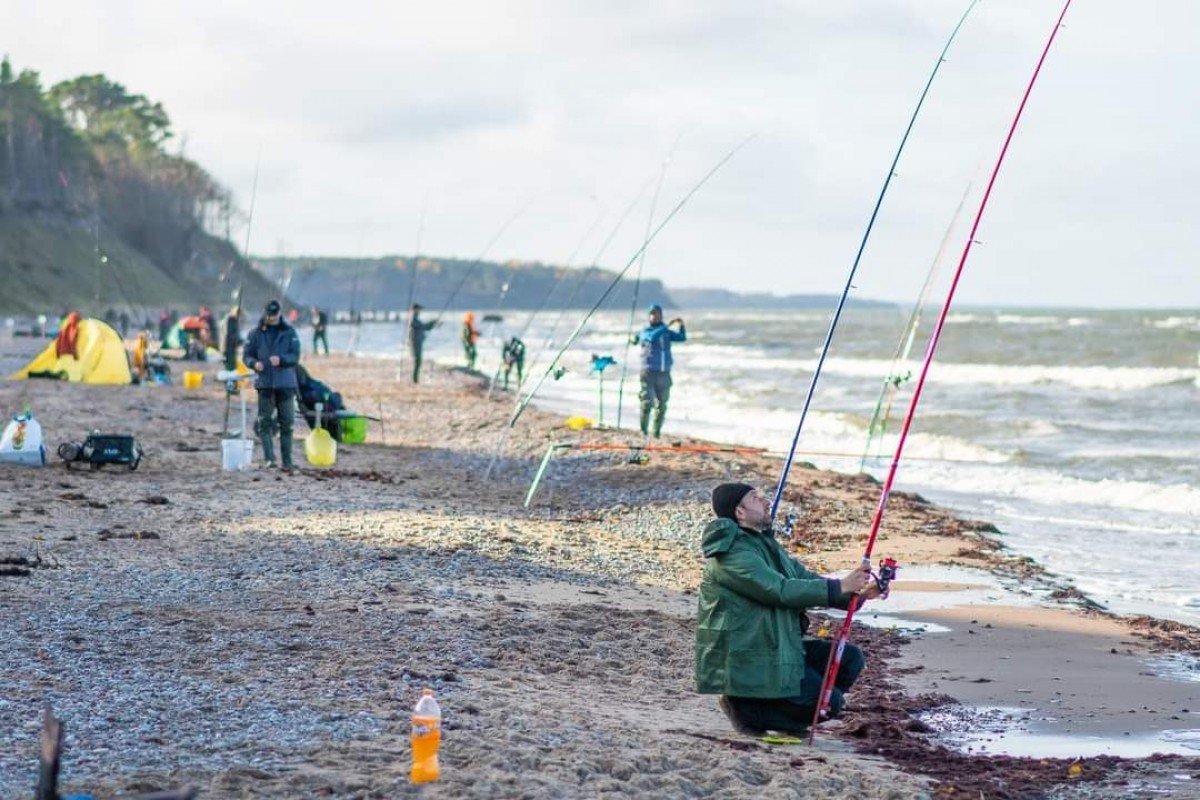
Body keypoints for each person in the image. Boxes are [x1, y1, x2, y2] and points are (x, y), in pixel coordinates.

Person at [695, 482, 880, 736]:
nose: (766, 501)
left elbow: (804, 579)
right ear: (739, 512)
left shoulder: (763, 544)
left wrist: (856, 594)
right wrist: (841, 586)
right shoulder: (731, 554)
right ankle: (746, 709)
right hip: (750, 657)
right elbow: (779, 590)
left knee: (850, 659)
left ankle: (781, 713)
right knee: (828, 703)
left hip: (776, 645)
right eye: (756, 497)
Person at [242, 299, 301, 470]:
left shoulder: (290, 332)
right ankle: (270, 458)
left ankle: (287, 461)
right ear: (265, 314)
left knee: (287, 423)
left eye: (274, 315)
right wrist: (254, 364)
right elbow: (246, 356)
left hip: (286, 385)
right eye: (269, 315)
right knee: (264, 422)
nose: (272, 318)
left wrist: (282, 360)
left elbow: (295, 356)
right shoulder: (254, 334)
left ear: (279, 313)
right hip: (265, 384)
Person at [631, 304, 686, 438]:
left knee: (662, 405)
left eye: (658, 314)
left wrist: (681, 325)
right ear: (649, 316)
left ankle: (656, 432)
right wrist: (666, 326)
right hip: (649, 372)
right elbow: (652, 338)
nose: (656, 316)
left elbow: (682, 338)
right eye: (653, 314)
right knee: (647, 402)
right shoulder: (645, 331)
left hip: (664, 373)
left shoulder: (665, 331)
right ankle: (643, 430)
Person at [408, 303, 438, 384]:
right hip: (415, 343)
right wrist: (432, 323)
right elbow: (423, 327)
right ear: (415, 310)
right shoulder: (413, 319)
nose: (420, 311)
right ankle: (415, 380)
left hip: (418, 342)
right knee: (417, 361)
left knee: (418, 361)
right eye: (419, 309)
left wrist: (433, 323)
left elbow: (425, 328)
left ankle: (415, 379)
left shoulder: (415, 319)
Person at [222, 307, 242, 372]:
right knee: (229, 361)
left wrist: (239, 340)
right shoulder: (230, 320)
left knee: (233, 360)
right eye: (237, 313)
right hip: (228, 345)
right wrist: (237, 339)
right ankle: (229, 372)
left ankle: (232, 371)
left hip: (233, 345)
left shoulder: (235, 321)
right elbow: (229, 333)